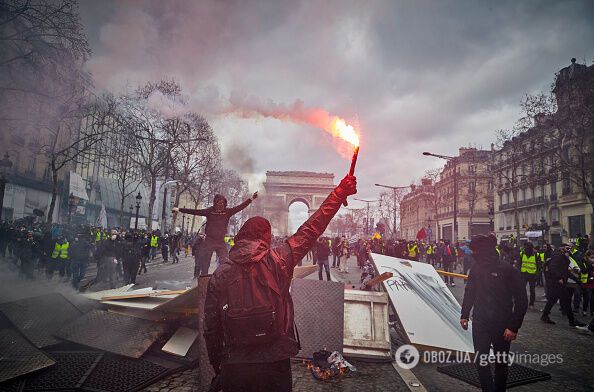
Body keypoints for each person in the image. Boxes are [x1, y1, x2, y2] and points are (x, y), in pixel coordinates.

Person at [203, 175, 357, 392]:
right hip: (275, 358)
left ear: (241, 237)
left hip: (235, 361)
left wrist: (217, 365)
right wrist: (339, 193)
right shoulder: (279, 260)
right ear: (265, 237)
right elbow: (313, 227)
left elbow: (211, 327)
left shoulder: (220, 273)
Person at [460, 234, 528, 392]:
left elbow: (521, 300)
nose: (472, 254)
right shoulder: (476, 268)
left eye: (474, 251)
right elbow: (470, 291)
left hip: (502, 324)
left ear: (482, 251)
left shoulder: (508, 270)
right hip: (480, 321)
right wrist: (464, 314)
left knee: (501, 363)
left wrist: (513, 327)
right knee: (481, 361)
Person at [175, 192, 257, 276]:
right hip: (209, 241)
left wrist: (250, 199)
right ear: (215, 203)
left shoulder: (228, 212)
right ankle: (204, 279)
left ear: (224, 204)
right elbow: (195, 211)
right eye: (218, 203)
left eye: (222, 203)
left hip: (220, 241)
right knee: (205, 264)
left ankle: (223, 279)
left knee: (225, 261)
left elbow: (240, 207)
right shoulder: (209, 211)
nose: (220, 205)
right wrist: (179, 209)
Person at [540, 244, 586, 327]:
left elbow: (566, 271)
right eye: (567, 248)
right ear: (562, 249)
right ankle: (571, 321)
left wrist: (577, 280)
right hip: (557, 283)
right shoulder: (558, 256)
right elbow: (552, 267)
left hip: (558, 283)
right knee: (567, 300)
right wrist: (559, 278)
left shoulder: (563, 257)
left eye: (569, 248)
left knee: (552, 300)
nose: (569, 250)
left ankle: (544, 316)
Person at [519, 242, 539, 309]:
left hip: (532, 274)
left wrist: (537, 275)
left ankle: (531, 304)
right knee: (522, 289)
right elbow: (519, 264)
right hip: (524, 273)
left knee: (532, 290)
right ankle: (523, 302)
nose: (525, 249)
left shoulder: (536, 255)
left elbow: (539, 266)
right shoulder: (522, 254)